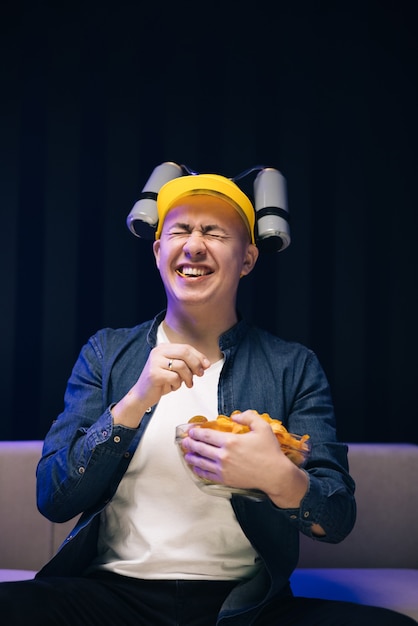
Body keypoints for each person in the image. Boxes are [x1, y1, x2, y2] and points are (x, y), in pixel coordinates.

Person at [0, 168, 415, 625]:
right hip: (111, 599)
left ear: (248, 259)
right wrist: (133, 403)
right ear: (159, 252)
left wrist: (276, 477)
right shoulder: (106, 353)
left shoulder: (292, 366)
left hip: (246, 607)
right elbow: (52, 498)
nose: (194, 245)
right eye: (179, 230)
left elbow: (336, 517)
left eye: (214, 232)